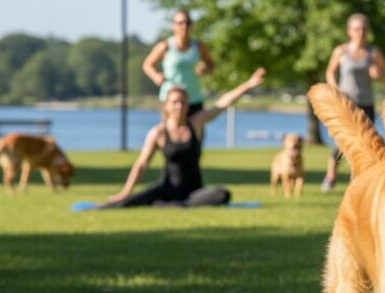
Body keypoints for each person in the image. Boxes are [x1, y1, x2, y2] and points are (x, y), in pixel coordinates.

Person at [102, 68, 266, 208]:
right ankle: (163, 203)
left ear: (188, 105)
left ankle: (172, 205)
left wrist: (249, 84)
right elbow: (142, 163)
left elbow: (222, 104)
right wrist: (125, 192)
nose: (179, 106)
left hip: (194, 192)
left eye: (182, 102)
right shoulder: (158, 132)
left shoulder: (195, 124)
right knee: (130, 202)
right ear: (166, 105)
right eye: (174, 102)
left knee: (222, 194)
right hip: (166, 189)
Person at [320, 14, 385, 192]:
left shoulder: (373, 52)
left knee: (366, 144)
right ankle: (330, 176)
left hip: (366, 104)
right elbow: (330, 73)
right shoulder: (341, 51)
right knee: (341, 142)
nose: (361, 32)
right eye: (357, 28)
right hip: (347, 103)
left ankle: (357, 179)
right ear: (350, 31)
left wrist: (378, 74)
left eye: (364, 28)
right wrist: (336, 89)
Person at [142, 9, 215, 115]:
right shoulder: (165, 46)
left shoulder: (198, 47)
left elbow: (211, 65)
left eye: (187, 22)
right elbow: (147, 65)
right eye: (180, 23)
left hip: (193, 99)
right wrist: (155, 76)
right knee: (171, 131)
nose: (184, 26)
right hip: (171, 100)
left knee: (194, 131)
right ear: (173, 25)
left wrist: (205, 69)